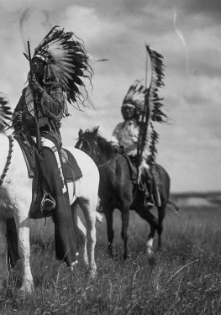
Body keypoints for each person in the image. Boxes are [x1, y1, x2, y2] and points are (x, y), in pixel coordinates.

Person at [12, 26, 93, 267]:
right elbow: (17, 113)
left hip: (48, 135)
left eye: (38, 64)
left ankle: (51, 197)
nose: (34, 67)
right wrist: (17, 125)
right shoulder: (26, 91)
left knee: (47, 158)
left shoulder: (54, 88)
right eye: (32, 64)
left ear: (46, 67)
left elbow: (57, 112)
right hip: (26, 136)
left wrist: (42, 94)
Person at [112, 80, 156, 208]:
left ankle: (149, 196)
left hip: (137, 157)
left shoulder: (142, 127)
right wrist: (116, 146)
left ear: (134, 111)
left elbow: (147, 143)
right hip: (121, 156)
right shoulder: (119, 126)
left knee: (146, 172)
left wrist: (140, 153)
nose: (125, 111)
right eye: (123, 109)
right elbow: (114, 139)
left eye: (128, 109)